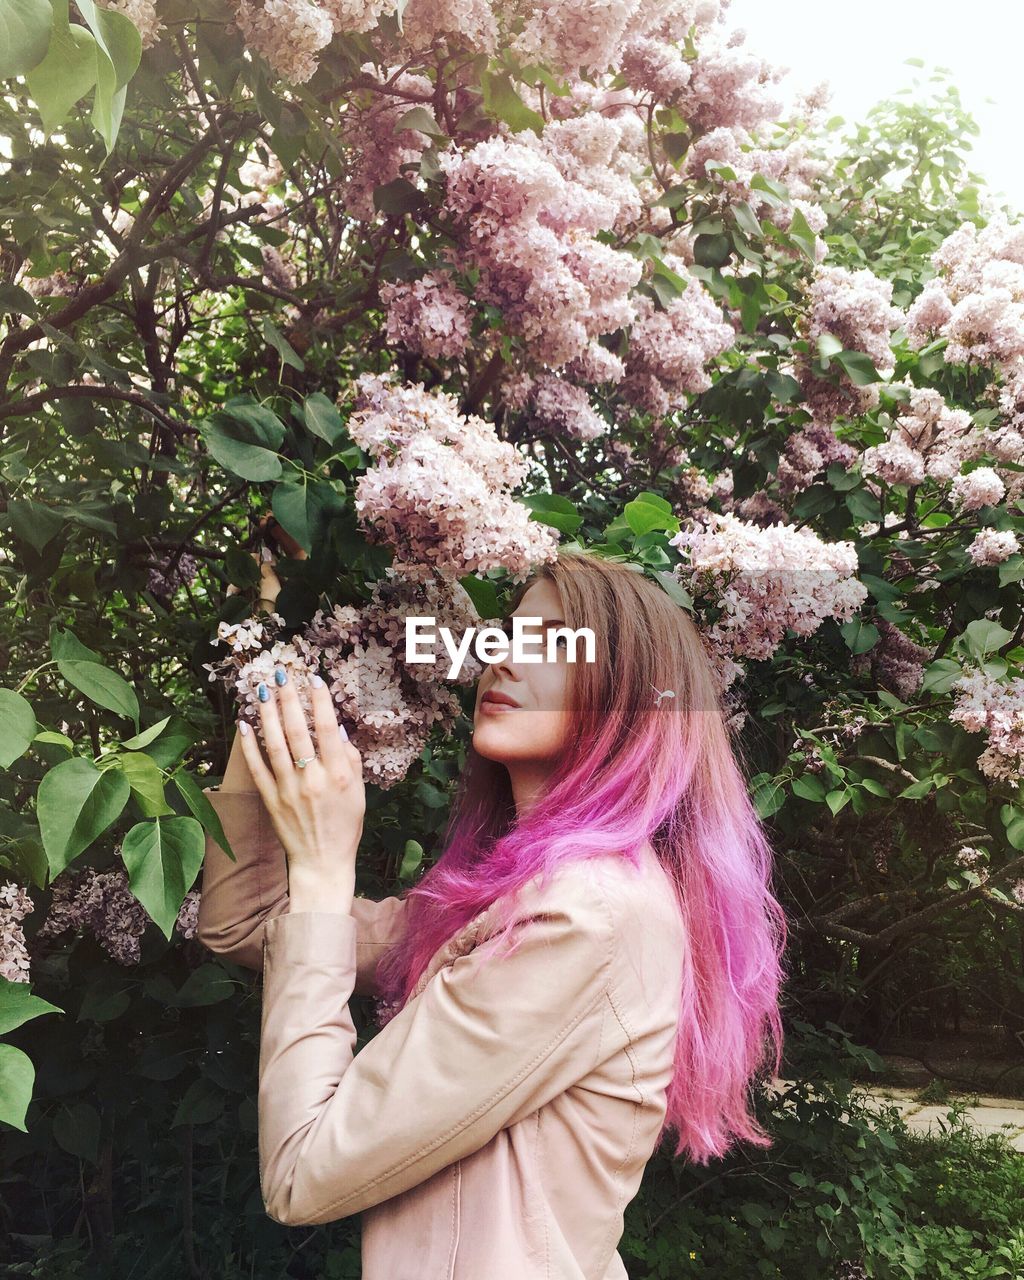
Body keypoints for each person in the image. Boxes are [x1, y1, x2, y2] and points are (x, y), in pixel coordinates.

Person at [196, 548, 787, 1279]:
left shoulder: (585, 918)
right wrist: (272, 718)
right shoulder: (517, 898)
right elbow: (246, 924)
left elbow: (303, 1173)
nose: (504, 659)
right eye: (505, 637)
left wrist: (322, 867)